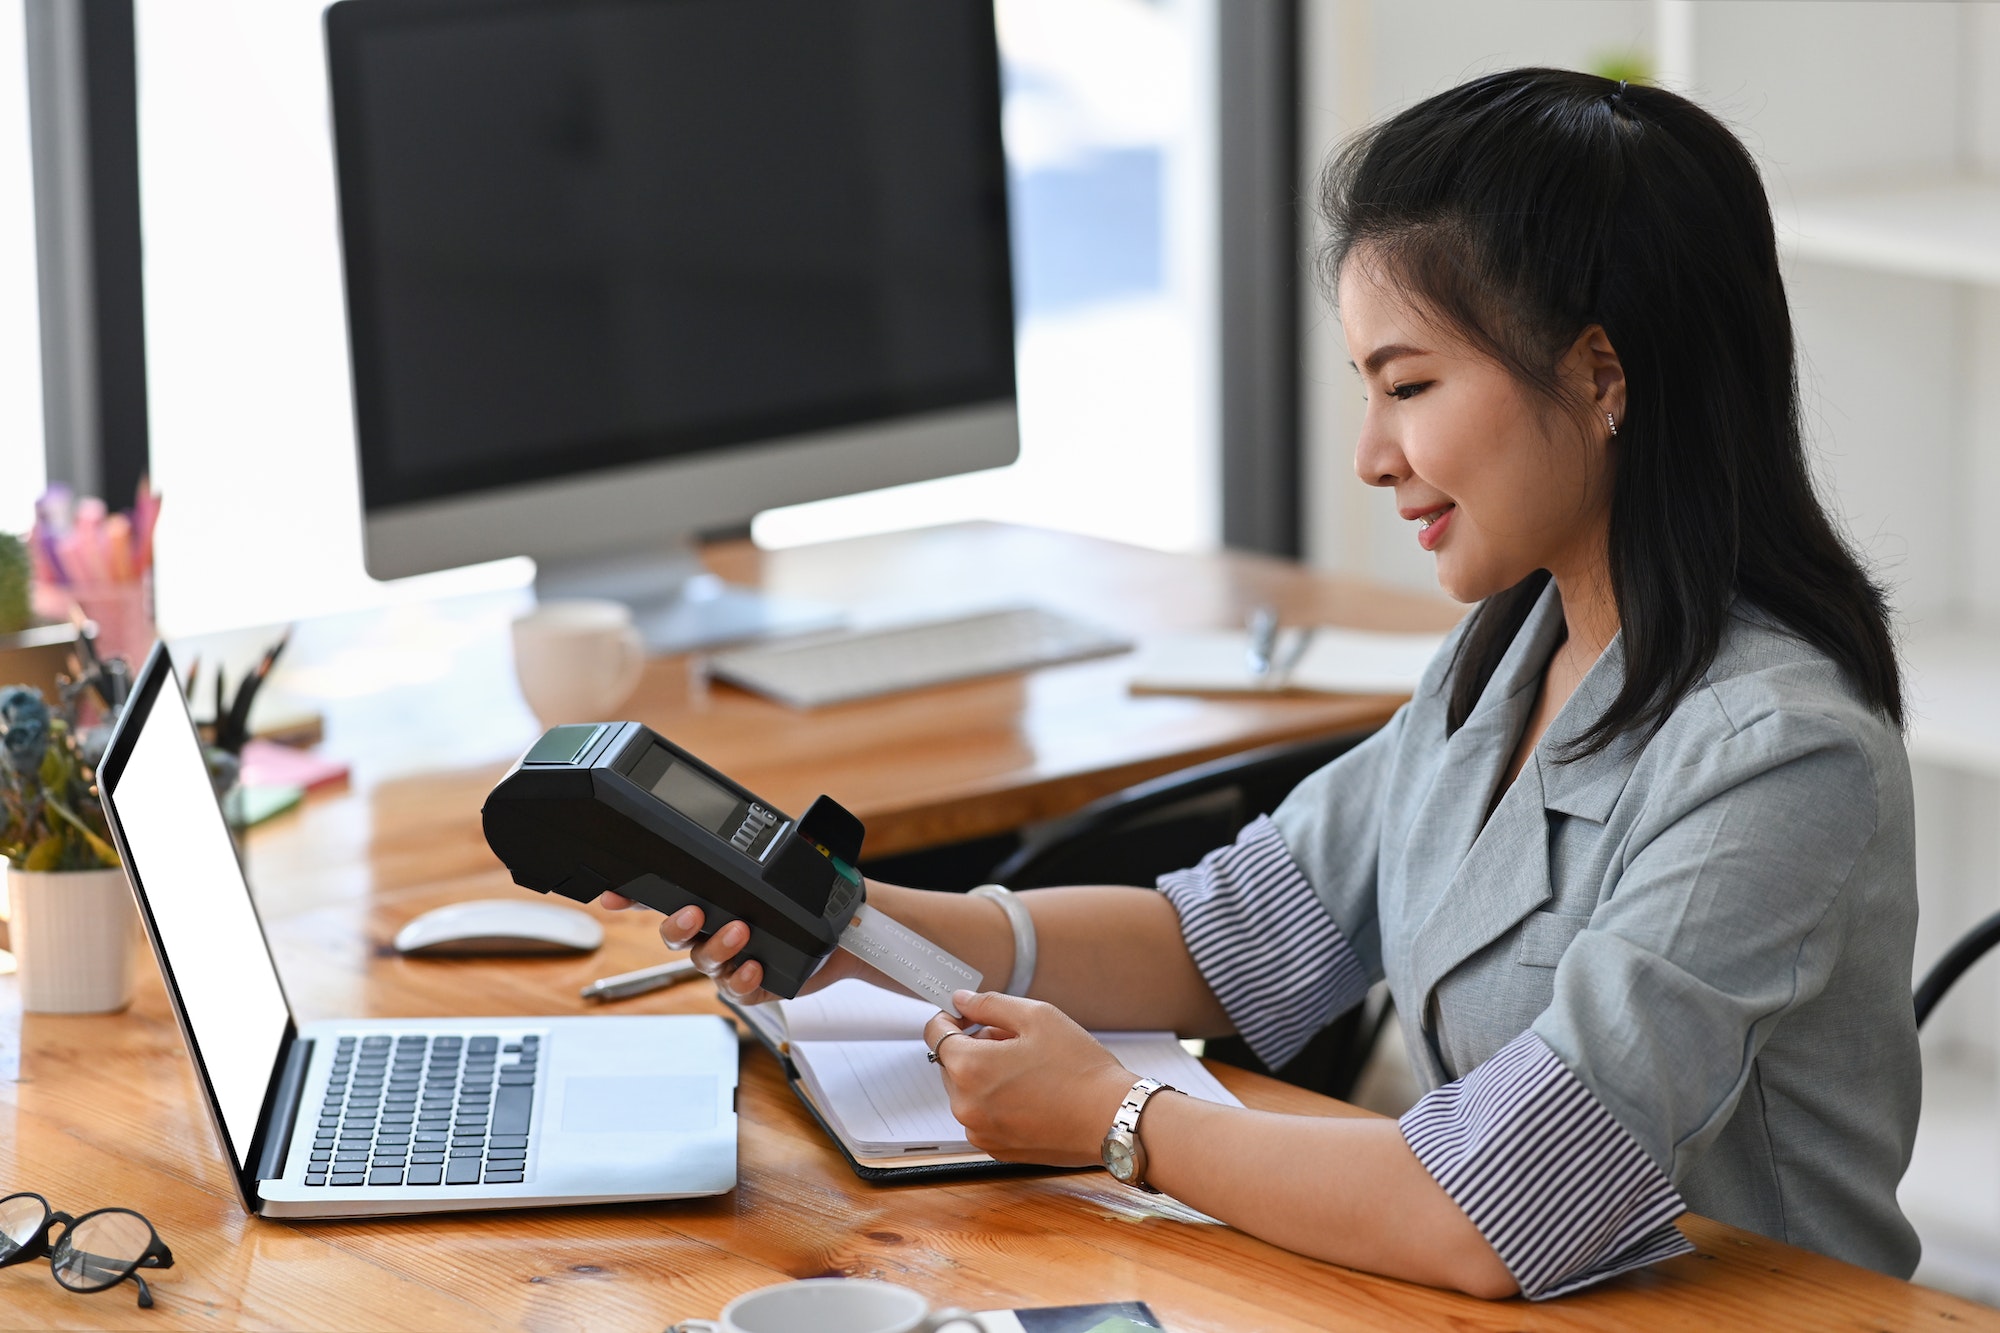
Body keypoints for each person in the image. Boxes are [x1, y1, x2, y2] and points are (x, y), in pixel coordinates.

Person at [606, 68, 1920, 1300]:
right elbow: (1224, 941)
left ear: (1598, 373)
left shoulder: (1778, 752)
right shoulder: (1509, 660)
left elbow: (1492, 1213)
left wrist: (1118, 1119)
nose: (1369, 453)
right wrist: (853, 924)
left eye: (1407, 384)